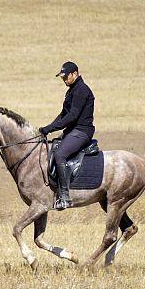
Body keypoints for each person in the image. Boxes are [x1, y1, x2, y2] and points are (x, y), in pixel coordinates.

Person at [38, 61, 95, 210]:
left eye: (65, 77)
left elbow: (72, 116)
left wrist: (50, 128)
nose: (64, 80)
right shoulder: (72, 90)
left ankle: (64, 196)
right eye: (62, 78)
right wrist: (47, 128)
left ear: (74, 74)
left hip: (82, 132)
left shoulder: (81, 90)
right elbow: (63, 114)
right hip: (72, 131)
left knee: (60, 154)